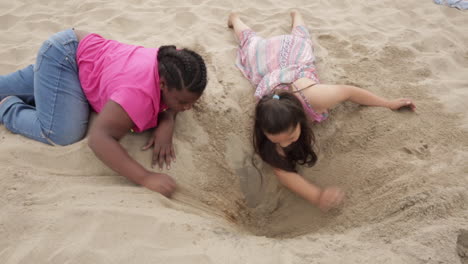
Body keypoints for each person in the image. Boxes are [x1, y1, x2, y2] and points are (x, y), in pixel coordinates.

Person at [228, 11, 415, 211]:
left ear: (300, 119)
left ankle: (296, 15)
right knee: (251, 44)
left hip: (292, 57)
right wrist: (317, 196)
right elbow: (283, 174)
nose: (284, 144)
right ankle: (235, 19)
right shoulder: (267, 115)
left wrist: (387, 103)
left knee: (301, 38)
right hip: (267, 67)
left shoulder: (314, 97)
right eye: (277, 140)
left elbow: (349, 92)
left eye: (290, 137)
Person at [0, 29, 207, 198]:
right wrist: (145, 177)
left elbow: (175, 99)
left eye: (192, 102)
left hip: (81, 61)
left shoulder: (178, 64)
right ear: (162, 84)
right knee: (62, 134)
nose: (188, 107)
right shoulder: (137, 94)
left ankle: (42, 80)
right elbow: (99, 139)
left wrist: (168, 118)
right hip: (65, 56)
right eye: (182, 102)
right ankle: (7, 106)